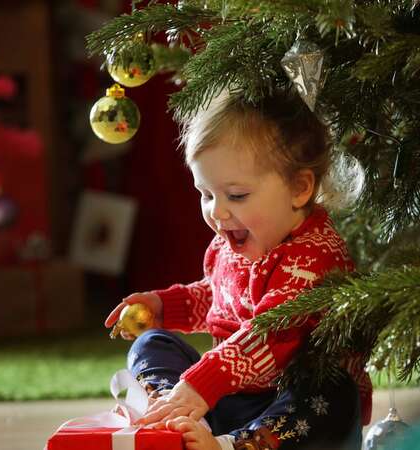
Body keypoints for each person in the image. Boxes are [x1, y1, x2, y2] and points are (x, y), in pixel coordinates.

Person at [104, 89, 372, 450]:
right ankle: (172, 413)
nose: (217, 212)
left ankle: (236, 444)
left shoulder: (315, 257)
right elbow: (215, 296)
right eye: (207, 194)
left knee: (331, 389)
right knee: (152, 343)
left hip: (290, 415)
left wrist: (201, 383)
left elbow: (266, 334)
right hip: (227, 397)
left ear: (300, 188)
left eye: (236, 196)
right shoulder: (232, 242)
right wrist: (162, 307)